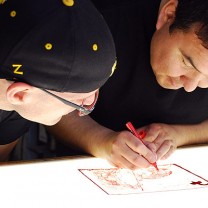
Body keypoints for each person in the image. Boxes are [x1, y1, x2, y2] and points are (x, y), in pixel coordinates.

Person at [48, 0, 208, 169]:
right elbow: (45, 103)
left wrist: (180, 135)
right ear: (168, 15)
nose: (190, 86)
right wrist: (102, 141)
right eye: (187, 63)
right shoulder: (98, 25)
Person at [0, 0, 116, 161]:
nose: (85, 108)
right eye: (76, 102)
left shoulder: (19, 108)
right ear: (20, 94)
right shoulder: (28, 101)